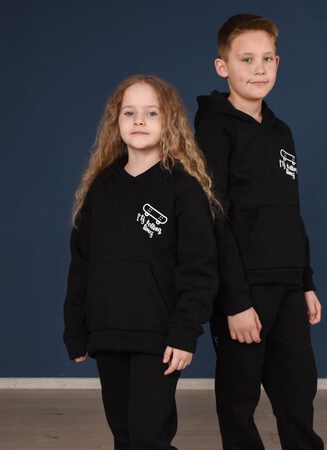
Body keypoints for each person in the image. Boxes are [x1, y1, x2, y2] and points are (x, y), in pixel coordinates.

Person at [63, 74, 220, 450]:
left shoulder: (183, 188)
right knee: (125, 435)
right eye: (129, 112)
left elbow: (199, 267)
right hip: (108, 332)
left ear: (169, 122)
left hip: (159, 337)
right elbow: (81, 264)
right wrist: (76, 328)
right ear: (115, 122)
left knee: (149, 437)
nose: (139, 120)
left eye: (151, 112)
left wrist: (185, 332)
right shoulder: (101, 188)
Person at [194, 13, 325, 450]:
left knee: (298, 391)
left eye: (267, 58)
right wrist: (235, 301)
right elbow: (213, 216)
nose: (259, 68)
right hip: (243, 289)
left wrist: (305, 281)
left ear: (278, 63)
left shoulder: (281, 132)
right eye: (246, 59)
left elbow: (291, 212)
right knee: (240, 398)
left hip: (287, 284)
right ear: (223, 66)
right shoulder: (213, 128)